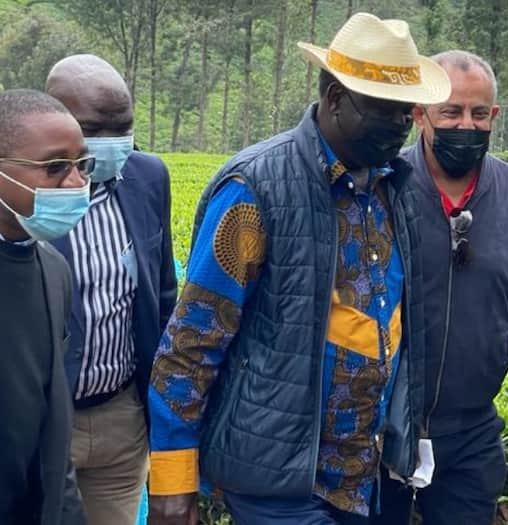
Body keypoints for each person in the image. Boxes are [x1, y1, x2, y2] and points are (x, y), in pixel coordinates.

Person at [146, 12, 449, 525]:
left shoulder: (394, 187)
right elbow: (190, 345)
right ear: (334, 98)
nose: (401, 125)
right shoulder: (256, 189)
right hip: (281, 483)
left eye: (408, 112)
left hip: (366, 477)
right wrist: (172, 484)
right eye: (385, 110)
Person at [376, 50, 508, 525]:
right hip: (379, 429)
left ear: (494, 116)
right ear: (422, 113)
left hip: (471, 432)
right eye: (451, 112)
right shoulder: (383, 189)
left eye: (478, 114)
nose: (466, 125)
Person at [44, 54, 177, 525]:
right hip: (44, 421)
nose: (113, 143)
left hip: (121, 415)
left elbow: (163, 295)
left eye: (123, 127)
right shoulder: (29, 190)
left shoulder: (148, 177)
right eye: (96, 128)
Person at [0, 89, 89, 525]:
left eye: (81, 166)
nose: (76, 183)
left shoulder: (53, 270)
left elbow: (53, 426)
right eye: (55, 168)